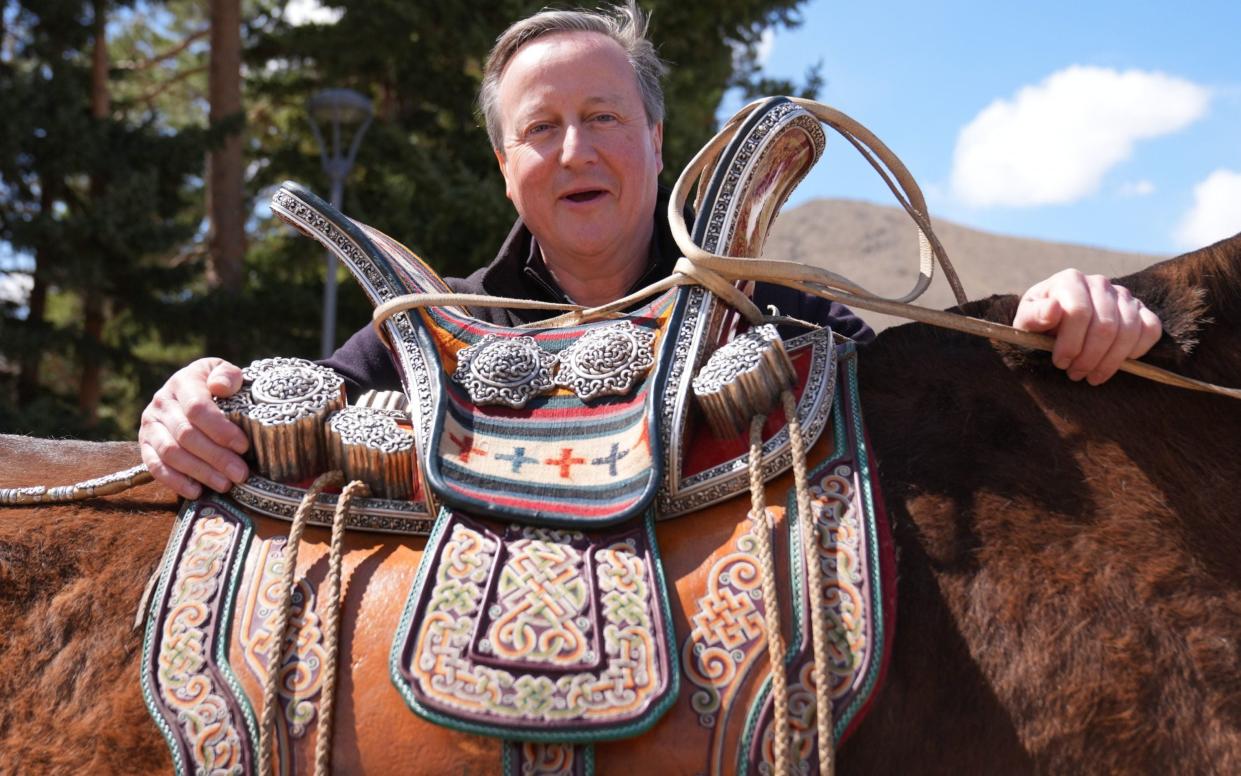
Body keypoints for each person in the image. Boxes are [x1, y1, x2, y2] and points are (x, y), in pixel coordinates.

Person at [138, 2, 1164, 500]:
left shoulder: (776, 321)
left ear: (655, 139)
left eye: (602, 116)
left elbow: (918, 383)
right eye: (540, 129)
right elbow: (285, 403)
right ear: (504, 165)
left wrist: (1054, 317)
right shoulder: (429, 330)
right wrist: (188, 400)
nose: (574, 149)